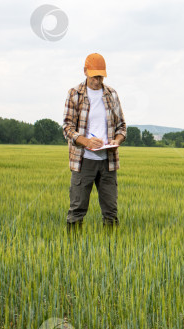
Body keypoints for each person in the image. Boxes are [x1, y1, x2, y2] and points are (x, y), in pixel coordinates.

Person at [62, 53, 126, 230]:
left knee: (111, 212)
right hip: (83, 161)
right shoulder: (74, 94)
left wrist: (116, 141)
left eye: (100, 76)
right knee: (77, 210)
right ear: (85, 71)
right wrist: (86, 142)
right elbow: (67, 128)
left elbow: (122, 126)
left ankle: (112, 251)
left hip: (108, 162)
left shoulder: (111, 94)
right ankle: (73, 251)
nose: (97, 81)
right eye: (94, 76)